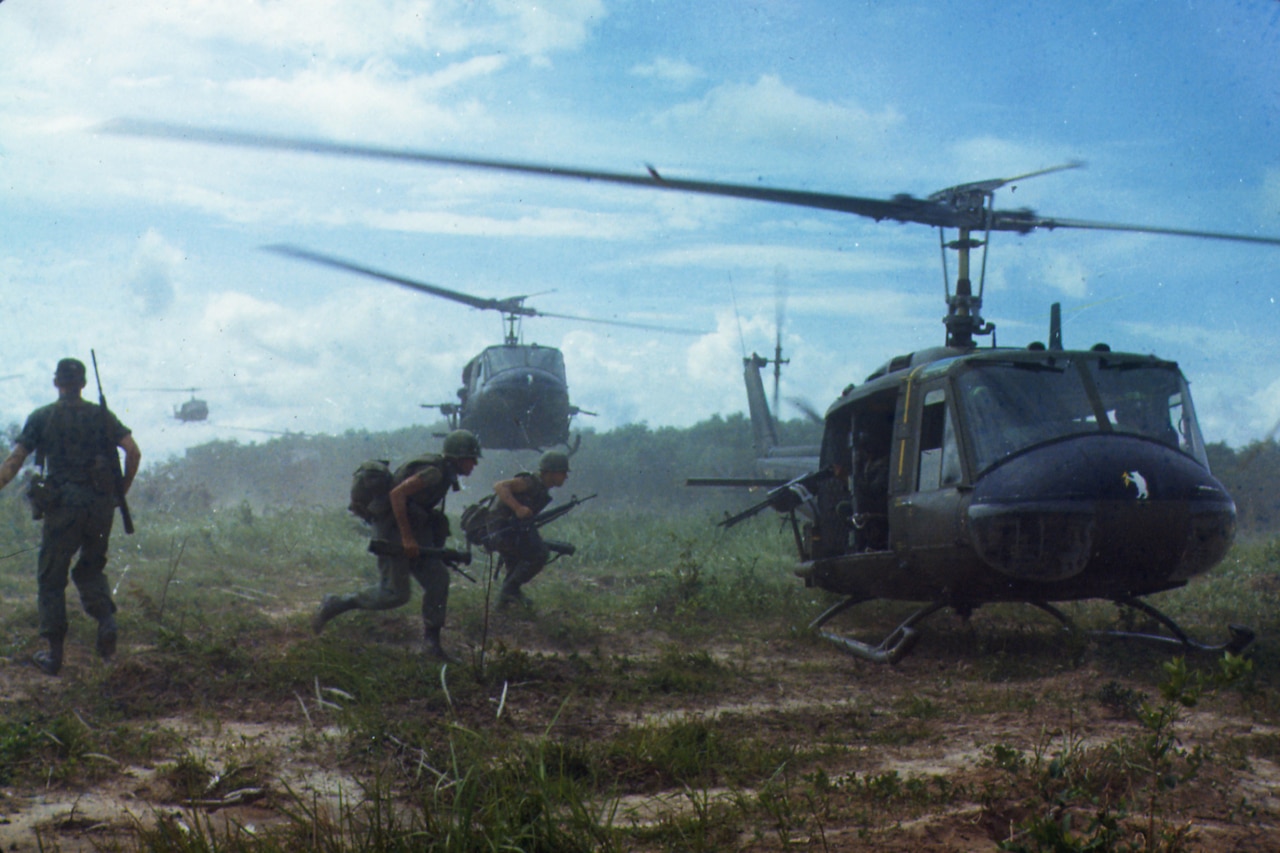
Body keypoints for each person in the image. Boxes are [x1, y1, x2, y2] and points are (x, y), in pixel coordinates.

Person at [0, 358, 141, 676]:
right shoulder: (101, 416)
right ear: (83, 385)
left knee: (51, 579)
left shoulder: (41, 417)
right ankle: (106, 622)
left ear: (56, 383)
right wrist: (121, 492)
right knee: (91, 570)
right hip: (100, 509)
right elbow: (133, 451)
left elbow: (15, 461)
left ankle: (54, 655)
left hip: (63, 508)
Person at [311, 429, 481, 662]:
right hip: (393, 528)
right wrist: (408, 538)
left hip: (410, 528)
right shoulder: (433, 473)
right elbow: (397, 495)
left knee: (438, 579)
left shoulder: (442, 472)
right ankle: (335, 603)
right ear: (459, 457)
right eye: (472, 459)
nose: (474, 465)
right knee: (394, 594)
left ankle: (432, 644)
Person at [488, 450, 570, 608]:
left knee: (517, 563)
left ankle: (504, 601)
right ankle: (509, 591)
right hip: (501, 530)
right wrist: (518, 508)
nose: (565, 477)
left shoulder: (541, 487)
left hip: (509, 530)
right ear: (551, 472)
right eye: (563, 472)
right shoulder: (530, 482)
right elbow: (500, 486)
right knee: (539, 554)